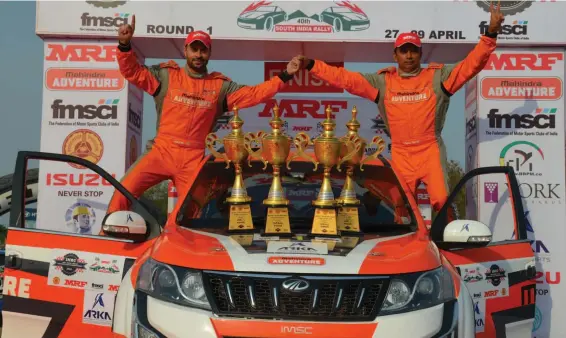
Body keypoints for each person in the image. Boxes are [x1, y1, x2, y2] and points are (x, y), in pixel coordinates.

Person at [291, 1, 505, 213]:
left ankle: (441, 244)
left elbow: (471, 65)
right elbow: (346, 79)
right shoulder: (383, 82)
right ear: (395, 55)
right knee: (400, 205)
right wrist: (313, 65)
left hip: (430, 150)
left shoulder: (438, 77)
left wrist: (490, 34)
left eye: (413, 51)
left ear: (421, 53)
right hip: (401, 152)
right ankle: (391, 225)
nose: (409, 56)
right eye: (404, 51)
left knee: (441, 200)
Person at [106, 15, 299, 220]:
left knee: (194, 215)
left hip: (193, 157)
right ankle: (106, 239)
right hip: (161, 151)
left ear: (209, 53)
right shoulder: (166, 75)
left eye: (203, 50)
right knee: (122, 192)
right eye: (194, 49)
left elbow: (254, 94)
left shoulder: (220, 86)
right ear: (185, 50)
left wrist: (285, 75)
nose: (198, 54)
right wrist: (124, 45)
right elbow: (133, 72)